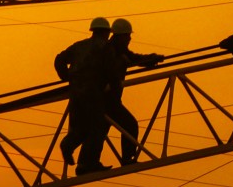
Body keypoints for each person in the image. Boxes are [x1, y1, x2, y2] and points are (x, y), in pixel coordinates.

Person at [54, 18, 117, 175]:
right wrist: (112, 86)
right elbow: (112, 70)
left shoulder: (79, 46)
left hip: (76, 94)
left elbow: (60, 59)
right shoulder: (105, 47)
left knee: (81, 128)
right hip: (93, 93)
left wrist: (66, 76)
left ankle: (69, 144)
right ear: (105, 32)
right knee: (98, 127)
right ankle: (88, 163)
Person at [105, 18, 165, 165]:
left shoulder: (119, 50)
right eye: (127, 35)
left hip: (108, 99)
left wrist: (151, 59)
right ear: (119, 36)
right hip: (106, 99)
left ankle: (88, 164)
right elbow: (129, 61)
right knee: (129, 125)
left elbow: (134, 59)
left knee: (99, 133)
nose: (130, 39)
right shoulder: (109, 52)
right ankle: (127, 158)